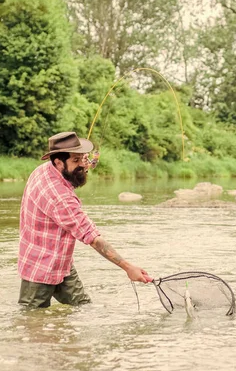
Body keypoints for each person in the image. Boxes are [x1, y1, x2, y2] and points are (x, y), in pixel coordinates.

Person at [17, 131, 152, 308]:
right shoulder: (60, 198)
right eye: (76, 160)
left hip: (61, 263)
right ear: (58, 162)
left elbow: (77, 170)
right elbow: (92, 238)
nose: (83, 164)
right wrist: (128, 268)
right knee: (32, 321)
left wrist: (84, 163)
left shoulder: (44, 170)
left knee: (83, 307)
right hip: (40, 268)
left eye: (84, 158)